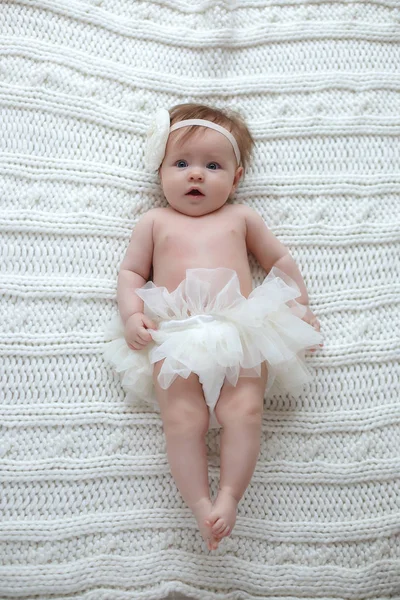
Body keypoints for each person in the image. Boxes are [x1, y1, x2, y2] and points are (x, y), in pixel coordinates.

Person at [103, 103, 324, 551]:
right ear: (160, 171)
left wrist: (301, 306)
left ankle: (229, 495)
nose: (196, 175)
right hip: (175, 335)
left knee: (243, 412)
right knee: (184, 420)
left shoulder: (241, 218)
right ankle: (201, 504)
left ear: (237, 178)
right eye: (181, 164)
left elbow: (278, 261)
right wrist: (131, 315)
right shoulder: (154, 222)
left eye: (212, 165)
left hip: (241, 330)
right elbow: (130, 274)